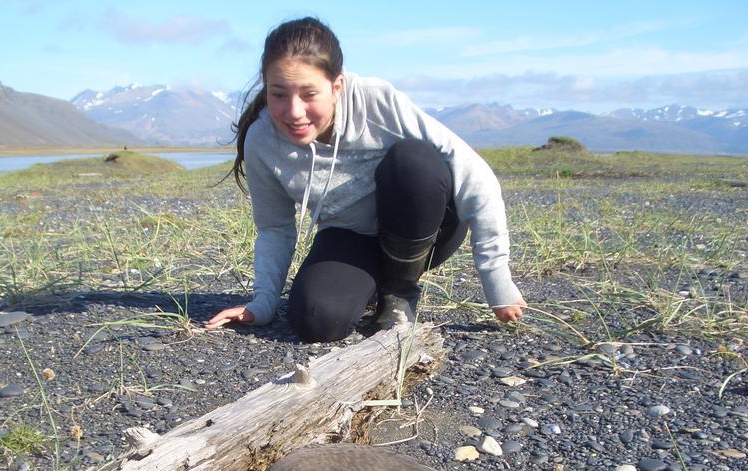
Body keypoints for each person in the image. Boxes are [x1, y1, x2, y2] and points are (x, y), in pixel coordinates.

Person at [205, 17, 527, 343]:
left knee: (414, 160)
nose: (294, 111)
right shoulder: (262, 140)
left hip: (426, 227)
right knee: (316, 321)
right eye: (278, 94)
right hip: (350, 236)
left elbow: (475, 174)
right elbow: (275, 228)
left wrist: (495, 278)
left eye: (309, 94)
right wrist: (262, 303)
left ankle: (400, 292)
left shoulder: (378, 102)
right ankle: (373, 283)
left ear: (337, 85)